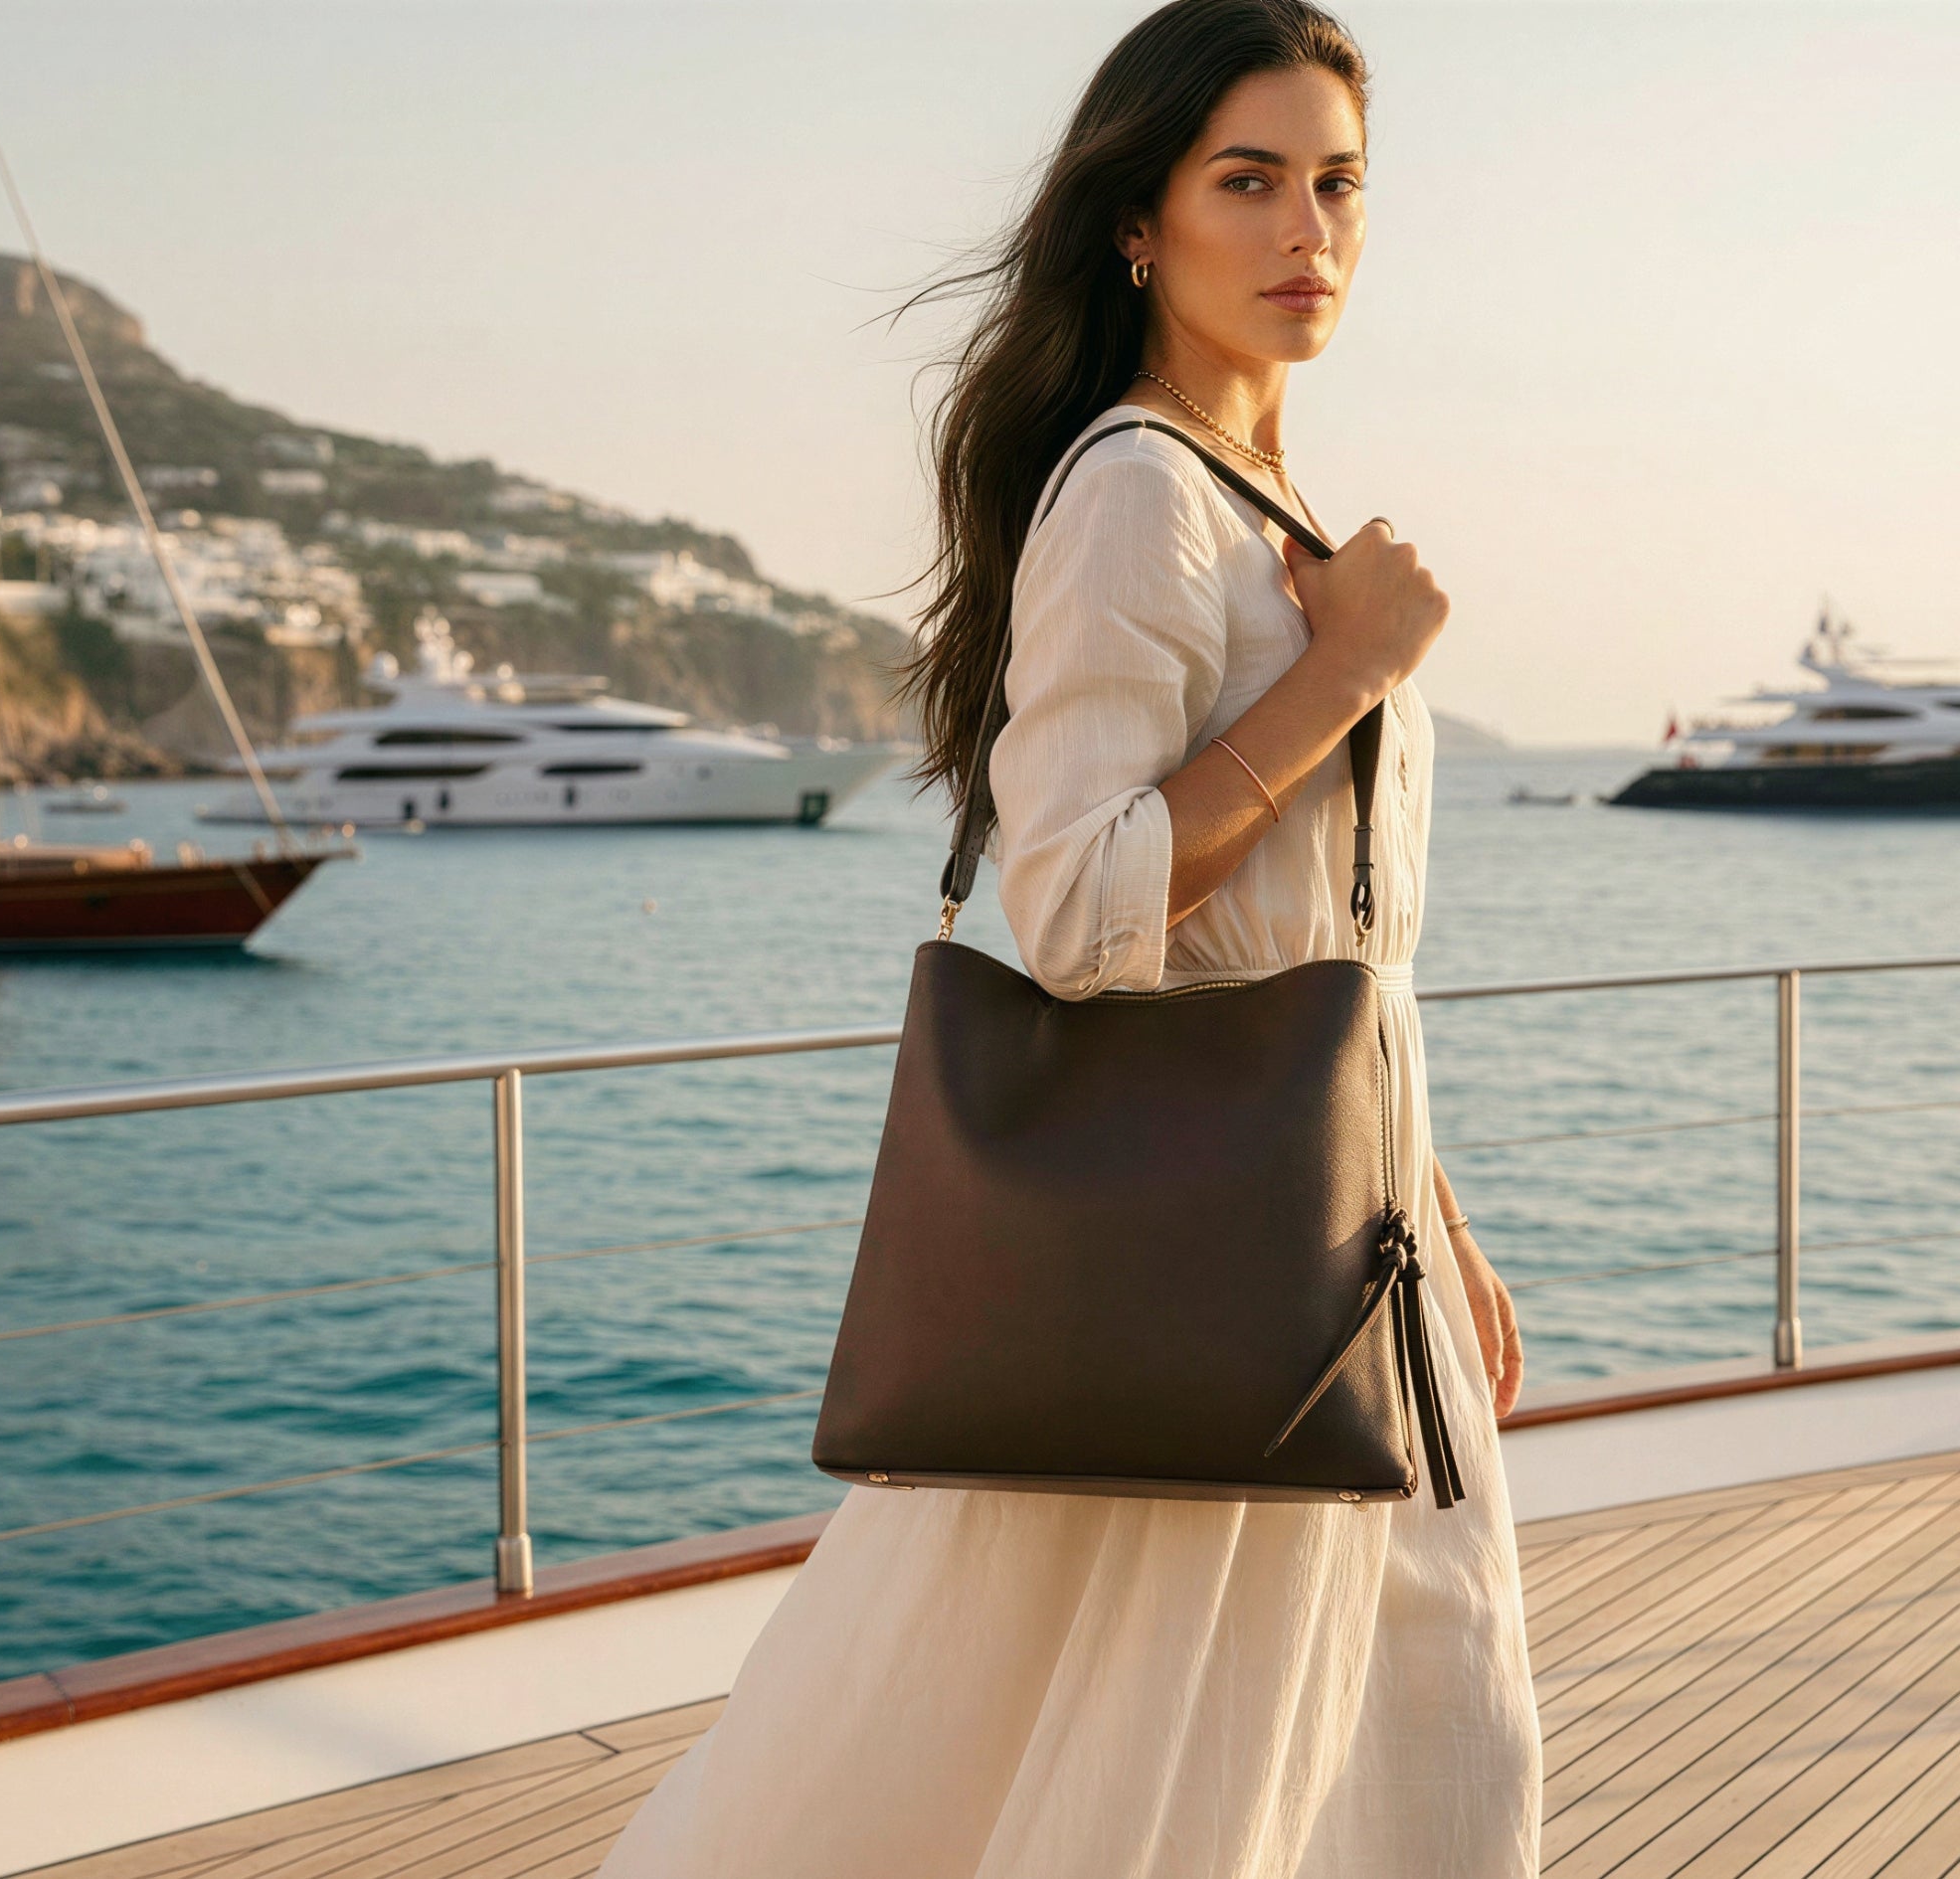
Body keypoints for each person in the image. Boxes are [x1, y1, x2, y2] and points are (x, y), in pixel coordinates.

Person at [598, 5, 1537, 1875]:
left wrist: (1428, 1202)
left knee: (1353, 1750)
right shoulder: (1135, 494)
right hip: (1225, 1262)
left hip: (1329, 1244)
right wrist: (1350, 667)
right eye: (1248, 181)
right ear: (1141, 221)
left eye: (1339, 185)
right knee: (1254, 1777)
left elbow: (1325, 946)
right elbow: (1094, 910)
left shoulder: (1255, 504)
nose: (1308, 233)